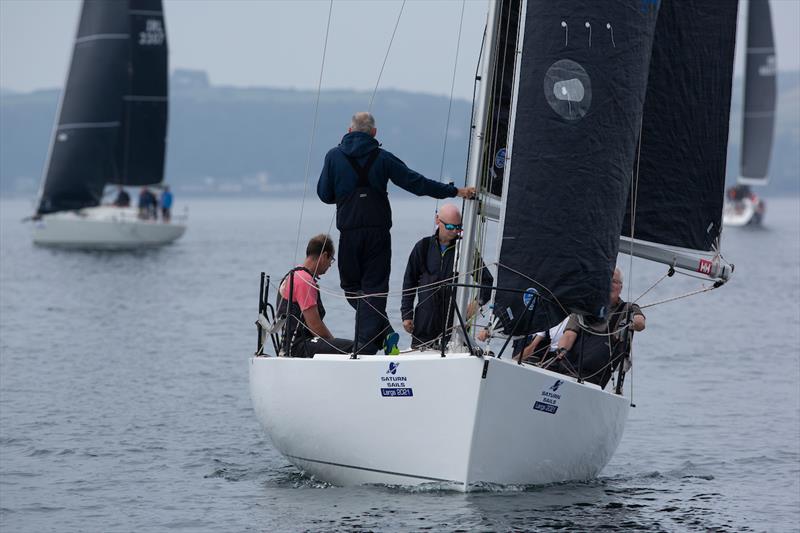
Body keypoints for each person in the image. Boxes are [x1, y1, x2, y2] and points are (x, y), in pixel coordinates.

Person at [317, 111, 475, 355]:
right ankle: (383, 335)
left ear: (349, 131)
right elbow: (417, 183)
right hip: (378, 236)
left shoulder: (333, 156)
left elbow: (325, 195)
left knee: (352, 289)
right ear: (374, 133)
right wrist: (455, 191)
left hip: (349, 234)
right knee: (375, 292)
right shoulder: (383, 158)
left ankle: (366, 349)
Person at [401, 203, 493, 349]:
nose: (454, 231)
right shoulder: (423, 247)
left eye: (458, 227)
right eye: (450, 227)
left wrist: (477, 303)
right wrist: (406, 314)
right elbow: (409, 282)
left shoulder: (465, 250)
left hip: (454, 326)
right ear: (438, 220)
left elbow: (487, 281)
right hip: (424, 324)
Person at [549, 267, 646, 387]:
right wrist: (560, 352)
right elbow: (569, 334)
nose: (610, 285)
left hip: (592, 375)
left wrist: (633, 322)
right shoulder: (584, 304)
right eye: (607, 280)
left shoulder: (628, 308)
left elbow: (640, 323)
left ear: (621, 287)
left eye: (614, 282)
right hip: (568, 365)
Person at [276, 234, 353, 358]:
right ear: (324, 256)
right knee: (355, 348)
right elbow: (315, 326)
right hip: (299, 347)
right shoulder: (304, 280)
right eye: (331, 260)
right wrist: (334, 345)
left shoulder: (292, 275)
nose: (329, 265)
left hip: (287, 345)